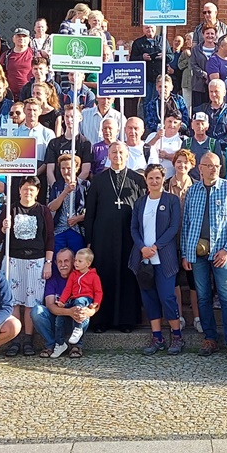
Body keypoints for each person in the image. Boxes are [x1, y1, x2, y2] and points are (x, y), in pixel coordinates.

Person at [181, 151, 227, 361]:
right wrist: (185, 253)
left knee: (226, 297)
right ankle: (210, 338)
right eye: (208, 165)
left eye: (216, 166)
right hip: (196, 253)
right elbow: (187, 223)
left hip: (221, 252)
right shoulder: (193, 191)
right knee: (202, 297)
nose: (213, 169)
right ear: (200, 168)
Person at [87, 141, 144, 333]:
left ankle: (126, 320)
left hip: (129, 236)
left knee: (127, 275)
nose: (117, 156)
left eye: (121, 152)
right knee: (104, 275)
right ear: (108, 156)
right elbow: (90, 213)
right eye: (113, 152)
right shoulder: (98, 180)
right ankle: (102, 320)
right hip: (103, 238)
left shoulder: (137, 179)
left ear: (127, 155)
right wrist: (89, 239)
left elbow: (143, 210)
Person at [130, 163, 184, 355]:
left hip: (165, 258)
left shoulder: (171, 200)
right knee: (149, 298)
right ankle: (157, 338)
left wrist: (155, 247)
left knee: (167, 297)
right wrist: (143, 248)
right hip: (144, 259)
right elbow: (134, 228)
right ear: (146, 180)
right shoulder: (140, 202)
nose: (154, 181)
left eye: (157, 178)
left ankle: (177, 336)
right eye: (151, 178)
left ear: (163, 179)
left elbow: (173, 227)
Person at [0, 175, 53, 353]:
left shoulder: (43, 211)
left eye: (32, 189)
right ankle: (14, 338)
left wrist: (48, 262)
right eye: (25, 188)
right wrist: (3, 228)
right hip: (13, 260)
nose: (28, 192)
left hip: (36, 261)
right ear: (19, 190)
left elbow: (49, 238)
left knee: (31, 303)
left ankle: (28, 339)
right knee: (14, 302)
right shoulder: (10, 209)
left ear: (37, 192)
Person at [48, 247, 103, 359]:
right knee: (59, 317)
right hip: (73, 299)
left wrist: (95, 304)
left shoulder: (94, 276)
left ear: (88, 264)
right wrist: (62, 301)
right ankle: (60, 343)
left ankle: (78, 330)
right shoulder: (74, 275)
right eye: (76, 261)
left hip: (86, 299)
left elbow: (98, 292)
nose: (76, 263)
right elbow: (68, 289)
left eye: (79, 261)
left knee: (80, 305)